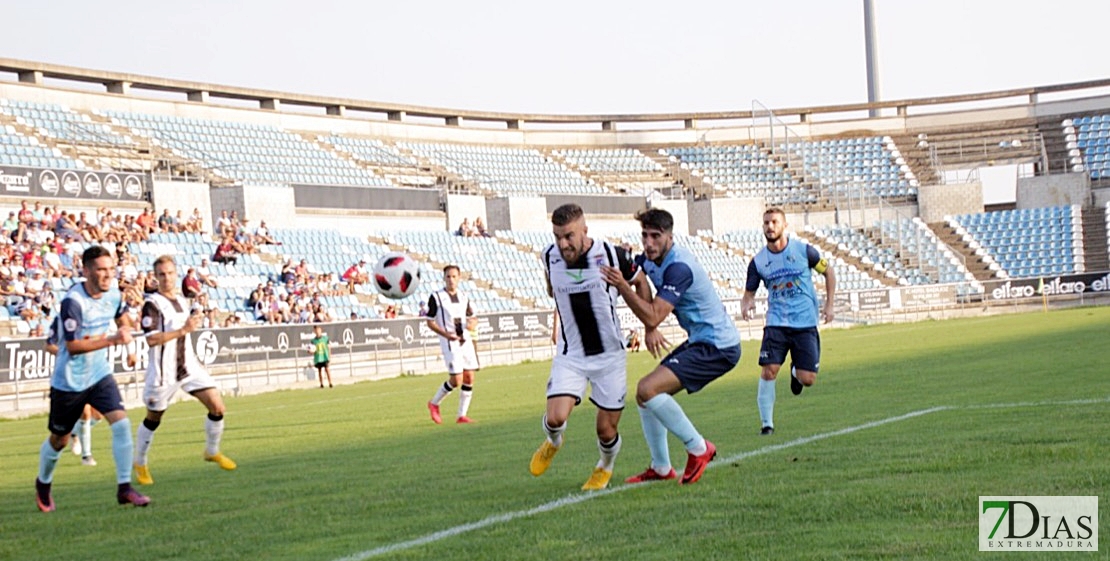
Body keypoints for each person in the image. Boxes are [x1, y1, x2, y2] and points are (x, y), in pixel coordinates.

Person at [601, 208, 741, 485]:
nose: (649, 243)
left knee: (647, 389)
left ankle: (699, 448)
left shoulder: (679, 267)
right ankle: (662, 467)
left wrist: (624, 288)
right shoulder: (649, 258)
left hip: (718, 346)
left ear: (669, 236)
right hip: (702, 341)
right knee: (645, 396)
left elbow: (651, 310)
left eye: (656, 236)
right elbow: (640, 278)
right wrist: (650, 329)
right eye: (645, 236)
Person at [528, 203, 638, 491]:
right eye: (557, 237)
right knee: (555, 417)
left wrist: (649, 325)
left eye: (569, 236)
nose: (563, 244)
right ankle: (553, 442)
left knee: (605, 429)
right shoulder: (549, 256)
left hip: (609, 356)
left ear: (585, 231)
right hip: (571, 354)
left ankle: (605, 466)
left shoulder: (613, 254)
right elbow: (552, 287)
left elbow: (640, 282)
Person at [34, 245, 150, 511]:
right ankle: (43, 482)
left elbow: (122, 316)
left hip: (99, 374)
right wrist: (111, 339)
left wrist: (125, 330)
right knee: (59, 439)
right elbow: (73, 347)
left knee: (120, 423)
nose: (108, 275)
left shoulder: (112, 294)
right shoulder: (73, 302)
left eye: (111, 269)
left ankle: (124, 488)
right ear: (86, 271)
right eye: (101, 270)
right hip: (69, 381)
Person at [133, 255, 237, 487]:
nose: (167, 278)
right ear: (156, 277)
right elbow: (152, 340)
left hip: (188, 367)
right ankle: (139, 462)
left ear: (176, 273)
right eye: (162, 274)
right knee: (153, 418)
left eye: (170, 273)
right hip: (163, 372)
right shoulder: (152, 304)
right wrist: (184, 330)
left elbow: (186, 327)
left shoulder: (181, 300)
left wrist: (194, 321)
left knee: (218, 406)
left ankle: (212, 451)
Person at [741, 208, 836, 436]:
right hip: (776, 324)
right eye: (766, 223)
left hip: (804, 323)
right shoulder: (758, 262)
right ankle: (767, 425)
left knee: (808, 379)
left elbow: (829, 272)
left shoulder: (804, 251)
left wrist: (829, 303)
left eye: (774, 222)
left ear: (784, 226)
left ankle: (795, 372)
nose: (769, 227)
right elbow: (749, 292)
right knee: (769, 370)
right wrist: (747, 303)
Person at [424, 264, 479, 425]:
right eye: (448, 276)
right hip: (450, 342)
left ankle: (462, 415)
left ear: (459, 278)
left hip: (465, 340)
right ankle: (434, 403)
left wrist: (472, 324)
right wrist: (445, 334)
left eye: (454, 276)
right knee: (456, 379)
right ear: (444, 278)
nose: (451, 280)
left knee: (469, 376)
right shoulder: (437, 297)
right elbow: (429, 321)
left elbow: (473, 317)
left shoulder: (463, 296)